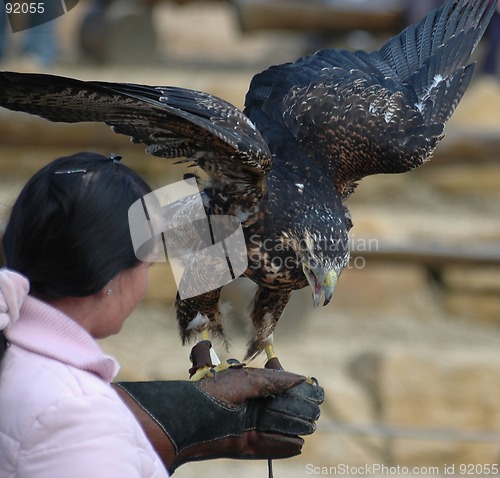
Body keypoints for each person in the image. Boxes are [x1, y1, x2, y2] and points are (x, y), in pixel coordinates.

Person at [0, 152, 323, 477]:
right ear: (109, 275)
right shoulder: (80, 417)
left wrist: (200, 414)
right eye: (149, 260)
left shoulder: (17, 363)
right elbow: (75, 430)